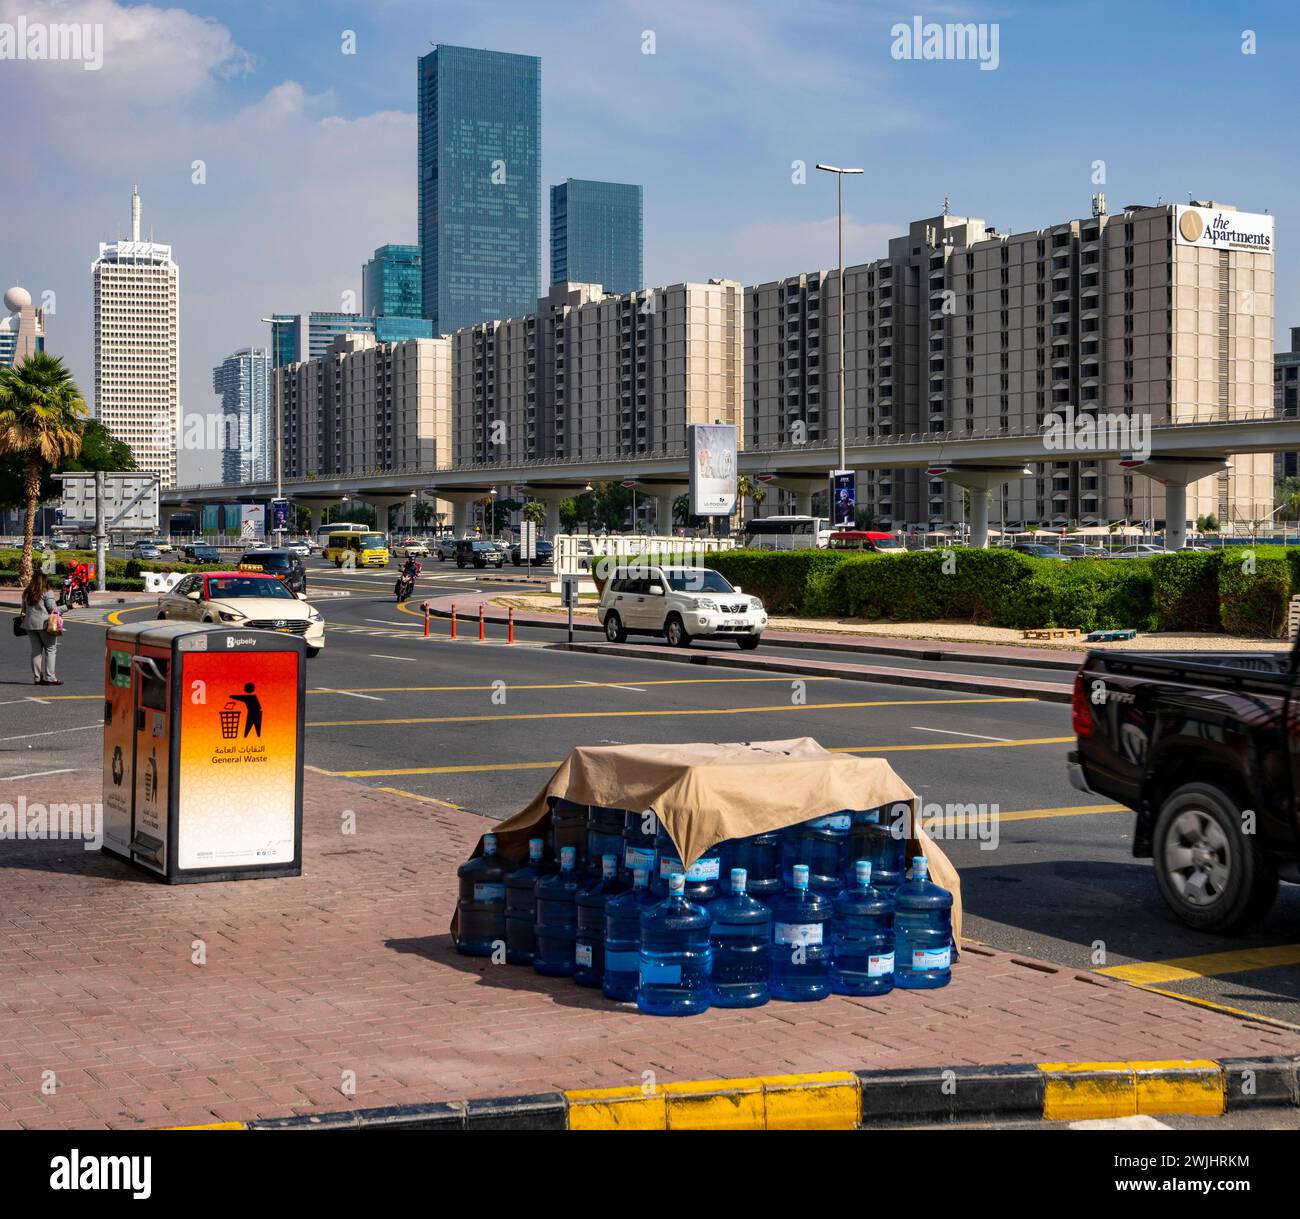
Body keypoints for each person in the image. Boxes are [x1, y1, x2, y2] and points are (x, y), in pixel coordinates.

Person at [21, 570, 62, 686]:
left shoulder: (27, 592)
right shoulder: (47, 592)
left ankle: (37, 678)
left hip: (29, 625)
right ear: (45, 580)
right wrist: (68, 606)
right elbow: (53, 610)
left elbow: (23, 610)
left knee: (36, 651)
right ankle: (50, 677)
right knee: (50, 650)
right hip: (44, 625)